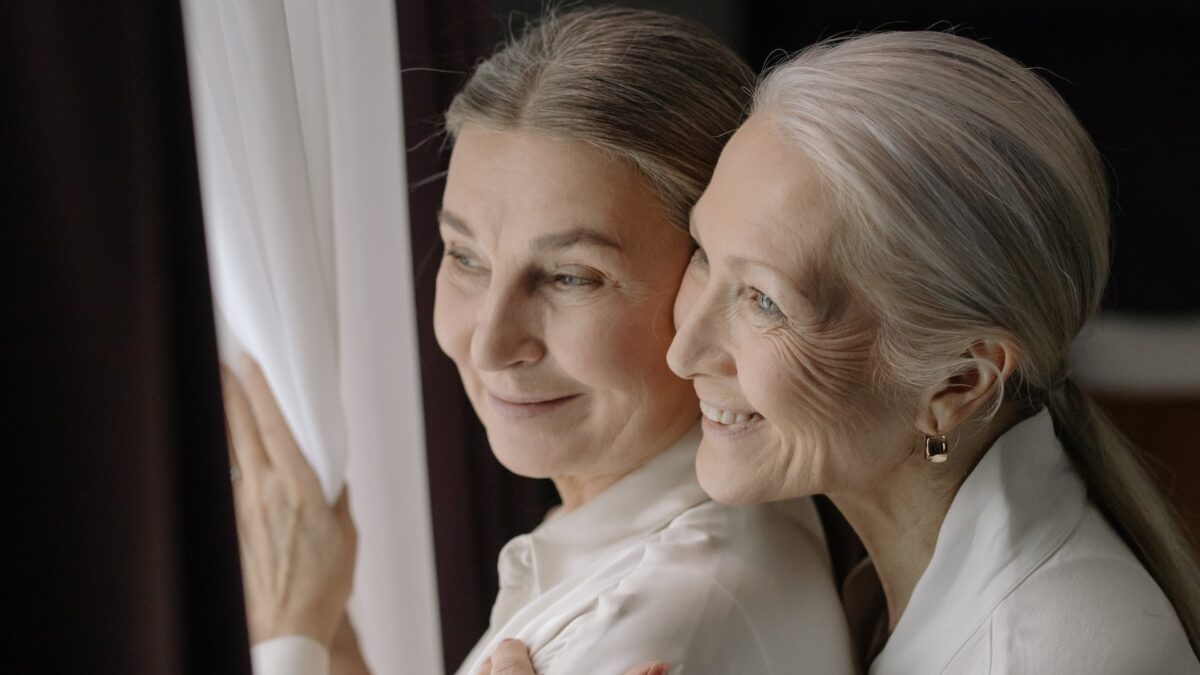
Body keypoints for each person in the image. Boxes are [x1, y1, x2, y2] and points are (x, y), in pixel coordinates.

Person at [492, 28, 1200, 675]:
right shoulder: (878, 573)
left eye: (765, 301)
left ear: (957, 382)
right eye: (705, 254)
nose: (684, 350)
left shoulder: (1042, 657)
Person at [222, 8, 857, 675]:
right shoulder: (651, 554)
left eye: (570, 276)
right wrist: (329, 640)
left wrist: (285, 638)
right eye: (465, 257)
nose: (491, 344)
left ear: (713, 281)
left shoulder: (659, 617)